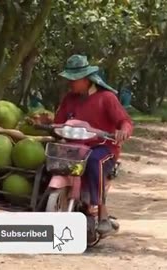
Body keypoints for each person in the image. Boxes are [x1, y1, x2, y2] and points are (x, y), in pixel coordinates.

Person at [55, 54, 133, 237]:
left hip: (103, 147)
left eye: (74, 80)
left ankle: (102, 213)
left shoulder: (106, 98)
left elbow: (125, 121)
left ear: (86, 79)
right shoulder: (69, 99)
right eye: (69, 80)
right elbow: (58, 121)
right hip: (75, 146)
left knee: (94, 161)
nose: (71, 83)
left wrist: (123, 131)